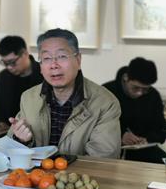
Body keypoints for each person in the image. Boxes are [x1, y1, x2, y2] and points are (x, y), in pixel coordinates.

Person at [9, 28, 121, 158]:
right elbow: (10, 148)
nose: (54, 65)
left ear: (78, 60)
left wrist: (59, 168)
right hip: (37, 172)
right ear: (40, 66)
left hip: (79, 172)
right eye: (46, 58)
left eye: (62, 56)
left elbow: (103, 158)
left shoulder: (105, 103)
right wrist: (22, 141)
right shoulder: (29, 98)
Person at [103, 57, 166, 163]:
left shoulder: (153, 95)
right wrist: (120, 135)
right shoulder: (106, 92)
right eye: (135, 88)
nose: (139, 93)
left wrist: (147, 139)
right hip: (111, 149)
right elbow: (95, 127)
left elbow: (161, 129)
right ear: (126, 78)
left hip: (144, 150)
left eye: (145, 89)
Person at [0, 35, 42, 133]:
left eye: (12, 62)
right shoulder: (2, 77)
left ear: (25, 54)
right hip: (9, 133)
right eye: (5, 63)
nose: (9, 67)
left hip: (38, 133)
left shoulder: (44, 74)